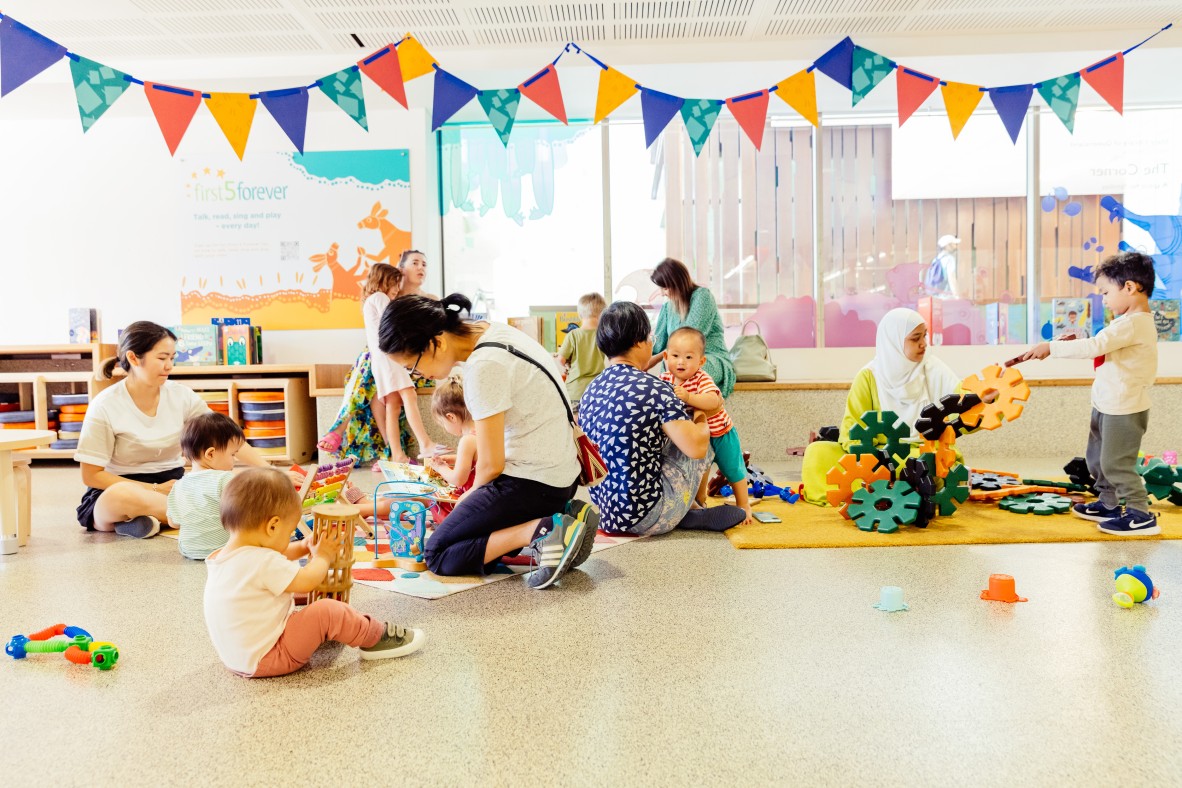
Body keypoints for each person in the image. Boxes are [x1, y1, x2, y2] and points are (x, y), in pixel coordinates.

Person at [378, 293, 598, 589]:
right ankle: (566, 514)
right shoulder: (494, 332)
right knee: (471, 535)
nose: (419, 376)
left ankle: (543, 529)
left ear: (437, 342)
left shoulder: (483, 366)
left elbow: (491, 464)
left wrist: (468, 499)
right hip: (560, 477)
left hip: (532, 483)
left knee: (438, 553)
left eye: (412, 367)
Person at [203, 468, 426, 678]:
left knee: (294, 595)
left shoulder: (223, 556)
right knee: (326, 610)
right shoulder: (262, 561)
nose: (291, 537)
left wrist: (302, 547)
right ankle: (375, 637)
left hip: (239, 658)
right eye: (290, 532)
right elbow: (307, 581)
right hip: (272, 656)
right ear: (272, 527)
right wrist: (323, 557)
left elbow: (274, 556)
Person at [75, 321, 269, 538]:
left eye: (172, 358)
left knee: (227, 485)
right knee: (122, 496)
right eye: (161, 358)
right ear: (133, 358)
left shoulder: (181, 396)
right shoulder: (105, 405)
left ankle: (150, 520)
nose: (169, 366)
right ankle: (176, 516)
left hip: (175, 485)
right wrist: (155, 489)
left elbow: (225, 436)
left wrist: (269, 471)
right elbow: (91, 475)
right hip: (119, 486)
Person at [1019, 251, 1159, 535]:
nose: (1104, 299)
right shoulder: (1124, 324)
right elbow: (1101, 345)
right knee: (1097, 459)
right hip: (1107, 403)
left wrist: (1052, 347)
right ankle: (1108, 503)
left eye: (1106, 292)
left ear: (1130, 288)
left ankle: (1139, 513)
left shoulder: (1135, 323)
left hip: (1125, 408)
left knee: (1116, 463)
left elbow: (1095, 347)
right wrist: (1078, 340)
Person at [579, 301, 746, 535]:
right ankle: (688, 507)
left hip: (606, 514)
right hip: (648, 515)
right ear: (639, 342)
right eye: (650, 337)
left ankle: (687, 509)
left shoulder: (591, 389)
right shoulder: (655, 389)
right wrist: (698, 407)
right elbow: (697, 448)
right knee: (704, 435)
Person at [800, 308, 964, 505]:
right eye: (915, 338)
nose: (923, 344)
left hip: (917, 450)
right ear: (893, 342)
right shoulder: (869, 376)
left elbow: (964, 402)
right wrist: (869, 457)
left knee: (928, 461)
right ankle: (868, 492)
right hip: (874, 453)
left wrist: (985, 398)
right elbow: (852, 426)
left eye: (925, 336)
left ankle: (885, 492)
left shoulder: (934, 369)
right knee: (818, 452)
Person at [318, 264, 437, 467]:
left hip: (380, 361)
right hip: (390, 357)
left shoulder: (369, 301)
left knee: (393, 405)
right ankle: (425, 444)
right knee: (409, 395)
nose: (396, 290)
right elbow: (393, 324)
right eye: (394, 284)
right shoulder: (380, 298)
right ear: (384, 281)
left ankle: (397, 455)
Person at [660, 327, 753, 524]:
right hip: (698, 437)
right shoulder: (665, 379)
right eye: (675, 356)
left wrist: (690, 397)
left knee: (733, 469)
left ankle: (744, 504)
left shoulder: (701, 379)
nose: (680, 362)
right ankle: (699, 503)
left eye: (688, 357)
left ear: (701, 361)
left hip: (721, 434)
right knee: (699, 471)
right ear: (666, 356)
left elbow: (714, 401)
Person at [646, 258, 736, 398]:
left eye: (664, 287)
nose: (663, 293)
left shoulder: (702, 296)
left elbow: (689, 341)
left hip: (708, 358)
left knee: (685, 367)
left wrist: (654, 360)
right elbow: (657, 344)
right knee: (675, 365)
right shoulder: (667, 307)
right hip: (679, 362)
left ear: (676, 283)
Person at [166, 412, 246, 560]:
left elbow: (173, 523)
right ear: (210, 454)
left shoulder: (178, 485)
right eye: (232, 454)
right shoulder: (225, 478)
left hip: (189, 551)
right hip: (224, 550)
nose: (234, 460)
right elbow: (243, 516)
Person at [424, 373, 477, 522]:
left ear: (451, 417)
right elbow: (476, 459)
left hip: (471, 499)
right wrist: (454, 459)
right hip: (483, 493)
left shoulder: (467, 440)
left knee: (433, 501)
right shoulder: (481, 432)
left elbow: (458, 479)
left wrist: (441, 468)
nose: (444, 427)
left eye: (442, 423)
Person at [556, 292, 607, 407]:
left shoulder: (573, 335)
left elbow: (561, 359)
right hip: (597, 388)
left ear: (580, 315)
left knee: (576, 423)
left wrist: (568, 363)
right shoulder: (603, 335)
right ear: (602, 315)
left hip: (576, 389)